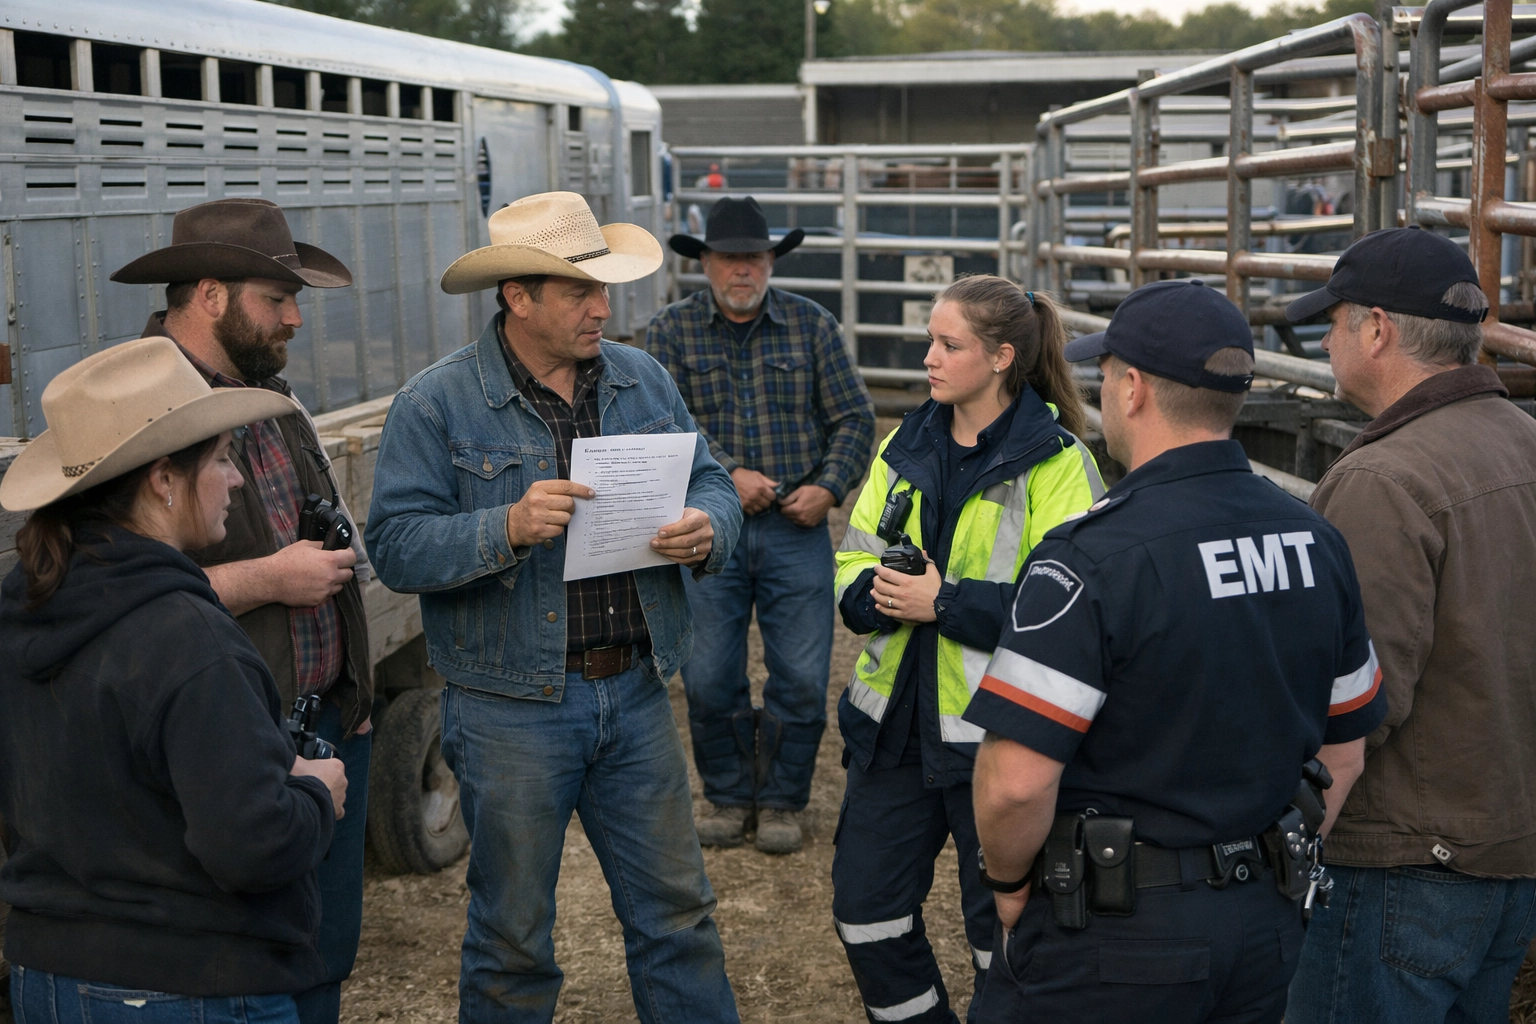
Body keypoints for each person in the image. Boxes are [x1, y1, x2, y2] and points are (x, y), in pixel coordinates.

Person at [963, 279, 1387, 1023]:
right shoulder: (1315, 540)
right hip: (1264, 922)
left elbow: (1014, 783)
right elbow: (1346, 749)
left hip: (1115, 936)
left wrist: (1007, 886)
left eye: (1108, 376)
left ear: (1133, 390)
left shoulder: (1093, 556)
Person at [365, 191, 743, 1024]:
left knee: (678, 917)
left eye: (602, 288)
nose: (603, 307)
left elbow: (711, 479)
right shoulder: (436, 404)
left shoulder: (642, 380)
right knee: (512, 940)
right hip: (509, 708)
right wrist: (506, 524)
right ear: (518, 297)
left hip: (635, 690)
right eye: (580, 291)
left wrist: (705, 527)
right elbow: (392, 546)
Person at [0, 337, 346, 1024]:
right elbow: (253, 845)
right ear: (163, 479)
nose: (238, 479)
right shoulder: (188, 640)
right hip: (188, 984)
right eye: (221, 459)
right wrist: (312, 791)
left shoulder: (28, 607)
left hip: (49, 976)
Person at [109, 199, 372, 1024]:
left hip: (327, 720)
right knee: (248, 962)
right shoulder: (135, 403)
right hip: (231, 739)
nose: (296, 318)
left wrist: (352, 696)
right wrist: (267, 579)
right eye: (277, 298)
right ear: (213, 295)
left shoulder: (271, 392)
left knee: (323, 947)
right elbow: (112, 595)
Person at [830, 277, 1104, 1024]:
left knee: (1004, 941)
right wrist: (880, 593)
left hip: (999, 741)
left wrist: (942, 603)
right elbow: (853, 561)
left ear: (1002, 357)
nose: (928, 358)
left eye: (948, 345)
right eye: (930, 340)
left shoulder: (1059, 465)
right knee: (865, 918)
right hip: (891, 733)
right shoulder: (904, 443)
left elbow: (1071, 614)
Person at [1283, 228, 1536, 1023]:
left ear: (1379, 330)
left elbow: (1358, 699)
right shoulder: (1527, 443)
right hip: (1507, 845)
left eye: (1334, 321)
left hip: (1401, 857)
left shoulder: (1382, 479)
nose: (1324, 339)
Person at [649, 195, 875, 854]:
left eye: (753, 257)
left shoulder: (812, 326)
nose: (741, 270)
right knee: (710, 675)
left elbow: (855, 418)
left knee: (802, 675)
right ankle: (726, 792)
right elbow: (660, 424)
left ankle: (780, 798)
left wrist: (829, 489)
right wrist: (726, 474)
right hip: (705, 530)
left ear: (771, 260)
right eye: (728, 258)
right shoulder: (670, 331)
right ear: (707, 264)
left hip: (794, 525)